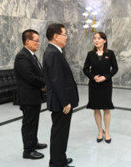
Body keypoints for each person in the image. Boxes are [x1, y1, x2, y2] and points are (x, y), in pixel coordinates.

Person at [43, 23, 79, 167]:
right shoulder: (53, 53)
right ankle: (57, 164)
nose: (66, 37)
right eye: (64, 34)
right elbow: (57, 81)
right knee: (59, 134)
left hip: (61, 102)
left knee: (61, 134)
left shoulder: (55, 52)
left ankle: (60, 159)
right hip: (61, 104)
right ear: (56, 36)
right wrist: (65, 102)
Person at [14, 29, 47, 159]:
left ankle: (33, 142)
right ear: (27, 41)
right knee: (29, 124)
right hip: (28, 97)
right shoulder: (22, 56)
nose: (38, 43)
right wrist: (44, 84)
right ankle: (28, 150)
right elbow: (30, 77)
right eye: (36, 41)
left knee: (34, 122)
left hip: (34, 96)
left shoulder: (31, 55)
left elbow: (38, 73)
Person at [83, 32, 118, 144]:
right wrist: (93, 77)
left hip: (106, 85)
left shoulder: (110, 54)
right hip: (94, 85)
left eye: (99, 38)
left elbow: (115, 69)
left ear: (104, 40)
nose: (96, 40)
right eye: (94, 38)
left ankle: (106, 132)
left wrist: (105, 77)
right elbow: (85, 69)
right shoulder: (90, 54)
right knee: (96, 108)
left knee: (106, 108)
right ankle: (99, 131)